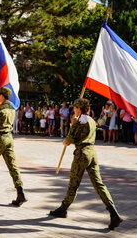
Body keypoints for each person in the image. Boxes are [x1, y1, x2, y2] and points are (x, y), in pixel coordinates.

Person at [48, 98, 123, 231]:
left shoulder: (79, 122)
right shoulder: (91, 121)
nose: (74, 110)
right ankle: (113, 213)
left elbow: (67, 141)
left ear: (80, 108)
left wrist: (72, 125)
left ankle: (63, 209)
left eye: (76, 107)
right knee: (99, 184)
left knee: (73, 184)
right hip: (92, 153)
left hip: (81, 153)